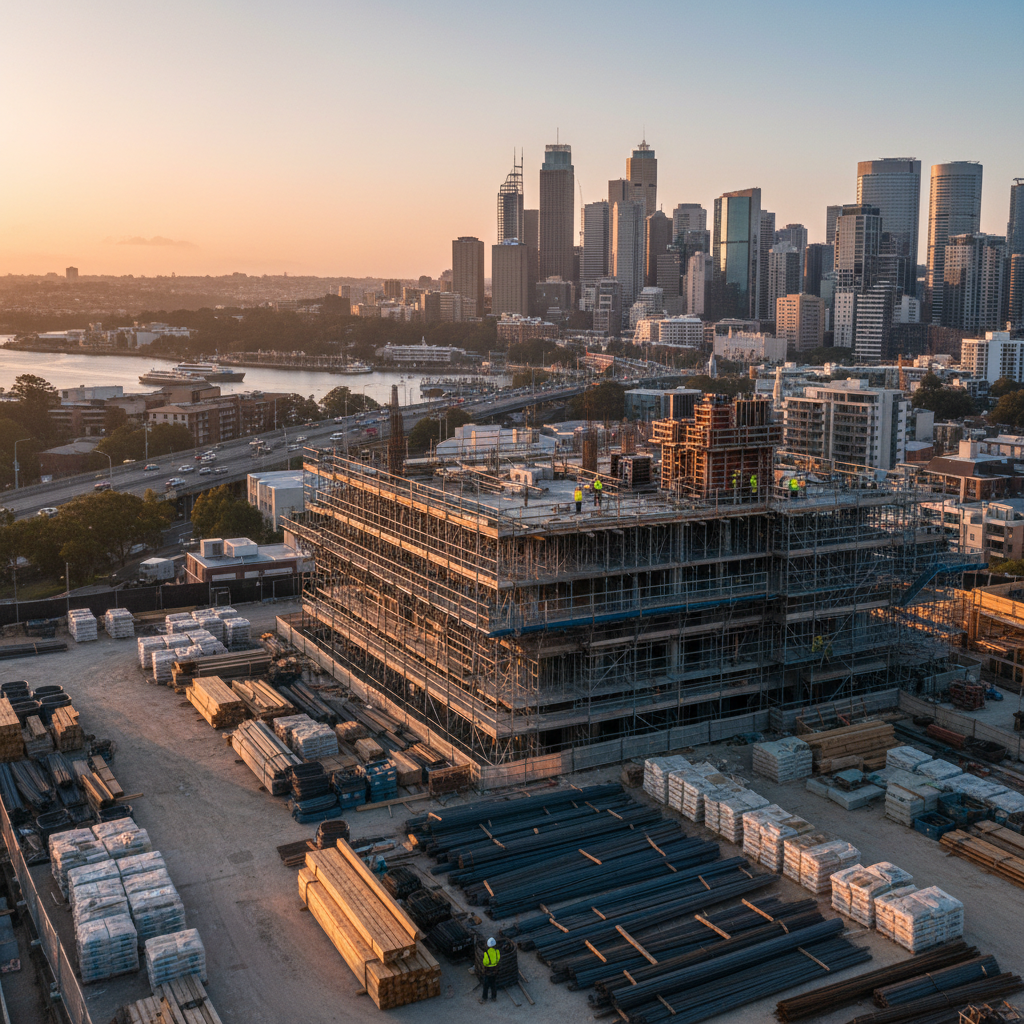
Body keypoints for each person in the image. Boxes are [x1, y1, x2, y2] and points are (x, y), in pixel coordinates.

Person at [480, 937, 500, 1002]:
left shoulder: (486, 953)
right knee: (493, 984)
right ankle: (494, 997)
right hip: (495, 971)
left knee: (486, 985)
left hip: (488, 971)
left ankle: (484, 998)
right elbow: (498, 959)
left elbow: (485, 963)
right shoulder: (497, 952)